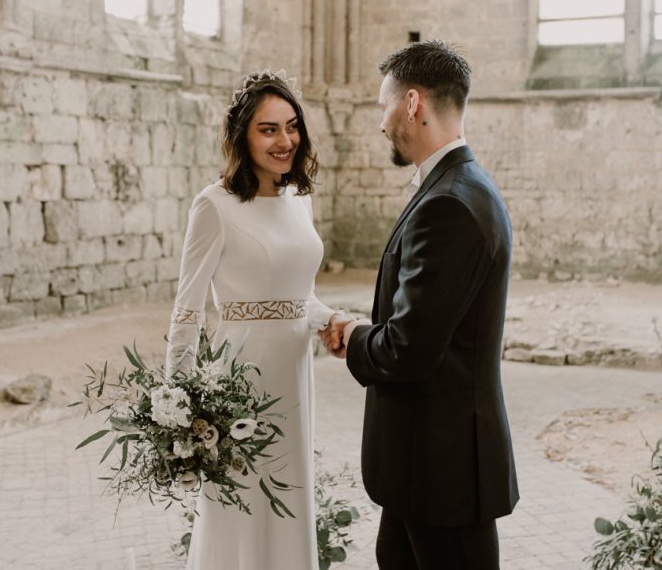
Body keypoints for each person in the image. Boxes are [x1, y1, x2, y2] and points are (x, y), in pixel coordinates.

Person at [325, 41, 519, 569]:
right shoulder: (459, 187)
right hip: (425, 468)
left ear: (412, 103)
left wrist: (352, 333)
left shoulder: (448, 204)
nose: (380, 122)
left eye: (382, 105)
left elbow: (410, 348)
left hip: (444, 472)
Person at [165, 70, 339, 570]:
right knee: (239, 506)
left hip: (293, 376)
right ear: (242, 134)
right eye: (268, 129)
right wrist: (179, 406)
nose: (284, 141)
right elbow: (187, 310)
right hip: (239, 383)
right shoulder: (214, 206)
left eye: (291, 126)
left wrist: (333, 321)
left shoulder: (299, 198)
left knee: (289, 499)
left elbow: (298, 297)